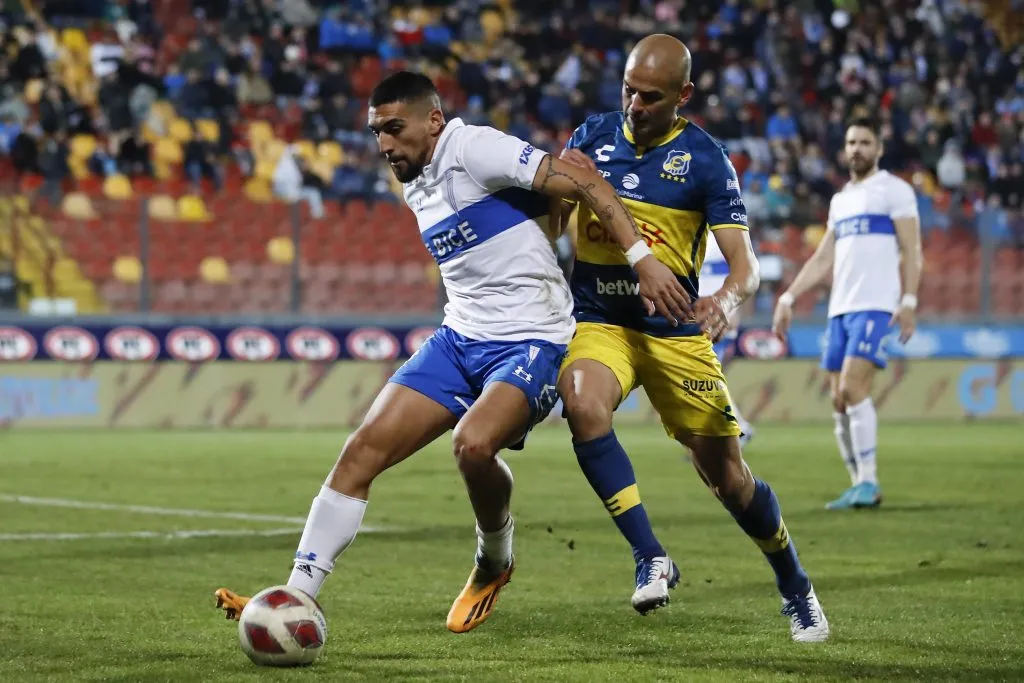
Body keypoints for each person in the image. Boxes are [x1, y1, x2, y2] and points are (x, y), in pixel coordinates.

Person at [215, 71, 690, 634]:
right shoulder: (413, 174)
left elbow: (585, 182)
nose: (384, 144)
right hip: (459, 338)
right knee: (360, 452)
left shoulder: (474, 148)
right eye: (376, 132)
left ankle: (494, 558)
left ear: (433, 121)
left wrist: (642, 259)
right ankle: (296, 596)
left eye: (394, 128)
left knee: (472, 445)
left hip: (533, 339)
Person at [554, 34, 828, 642]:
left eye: (650, 96)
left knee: (727, 478)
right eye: (628, 90)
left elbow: (746, 265)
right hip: (601, 320)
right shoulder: (589, 139)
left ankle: (795, 585)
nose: (634, 105)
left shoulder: (705, 159)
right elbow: (551, 215)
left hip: (674, 331)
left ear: (684, 95)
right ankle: (650, 555)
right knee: (582, 401)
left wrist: (725, 301)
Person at [772, 117, 922, 511]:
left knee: (853, 390)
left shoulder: (895, 191)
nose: (856, 149)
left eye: (865, 142)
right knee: (838, 400)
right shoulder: (841, 200)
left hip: (876, 304)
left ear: (879, 148)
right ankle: (858, 484)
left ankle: (869, 482)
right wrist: (789, 296)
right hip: (841, 307)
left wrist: (908, 301)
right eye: (851, 142)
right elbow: (824, 259)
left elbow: (912, 249)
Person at [698, 234, 755, 445]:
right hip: (697, 315)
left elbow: (742, 273)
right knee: (708, 375)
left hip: (719, 316)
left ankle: (734, 429)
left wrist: (734, 311)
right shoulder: (694, 232)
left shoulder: (722, 236)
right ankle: (737, 427)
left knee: (708, 374)